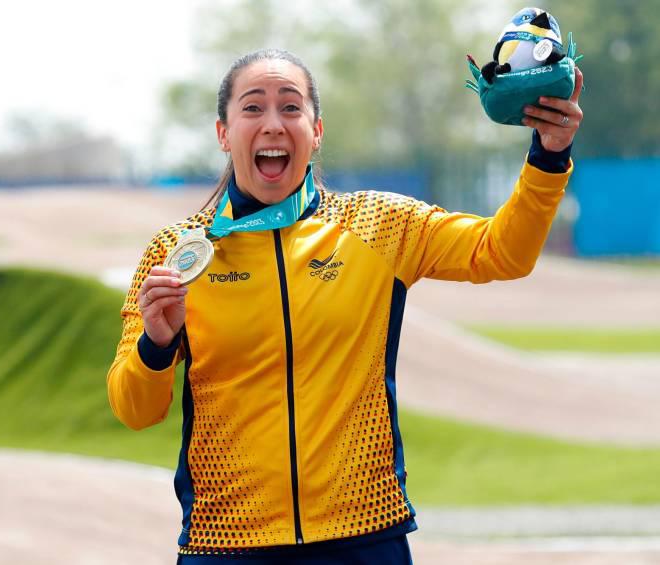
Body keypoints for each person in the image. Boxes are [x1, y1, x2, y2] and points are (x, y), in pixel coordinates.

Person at [106, 48, 583, 564]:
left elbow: (502, 252)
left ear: (316, 132)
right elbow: (135, 410)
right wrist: (157, 343)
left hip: (363, 534)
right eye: (252, 108)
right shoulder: (178, 253)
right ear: (223, 133)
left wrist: (548, 157)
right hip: (226, 540)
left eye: (291, 108)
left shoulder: (377, 225)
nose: (272, 124)